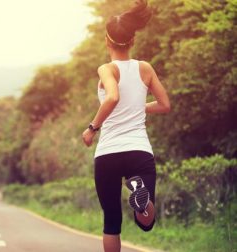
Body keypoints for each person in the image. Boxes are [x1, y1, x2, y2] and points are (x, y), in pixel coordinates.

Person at [81, 0, 171, 251]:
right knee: (146, 222)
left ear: (107, 41)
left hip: (108, 153)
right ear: (132, 41)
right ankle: (140, 195)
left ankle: (139, 196)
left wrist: (92, 128)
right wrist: (138, 108)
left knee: (111, 221)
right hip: (138, 151)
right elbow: (164, 105)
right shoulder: (145, 68)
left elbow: (112, 97)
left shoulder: (106, 69)